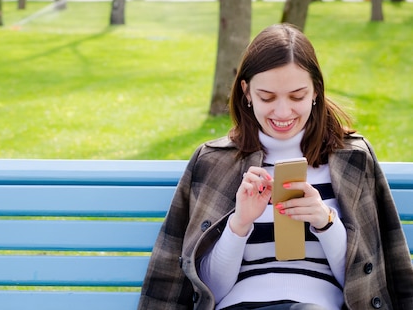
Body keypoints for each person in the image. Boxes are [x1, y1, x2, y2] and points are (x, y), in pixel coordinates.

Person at [138, 23, 413, 310]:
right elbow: (207, 292)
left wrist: (325, 222)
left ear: (316, 90)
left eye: (297, 96)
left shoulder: (351, 159)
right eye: (267, 97)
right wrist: (239, 224)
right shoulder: (214, 162)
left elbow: (365, 285)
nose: (283, 112)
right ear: (246, 92)